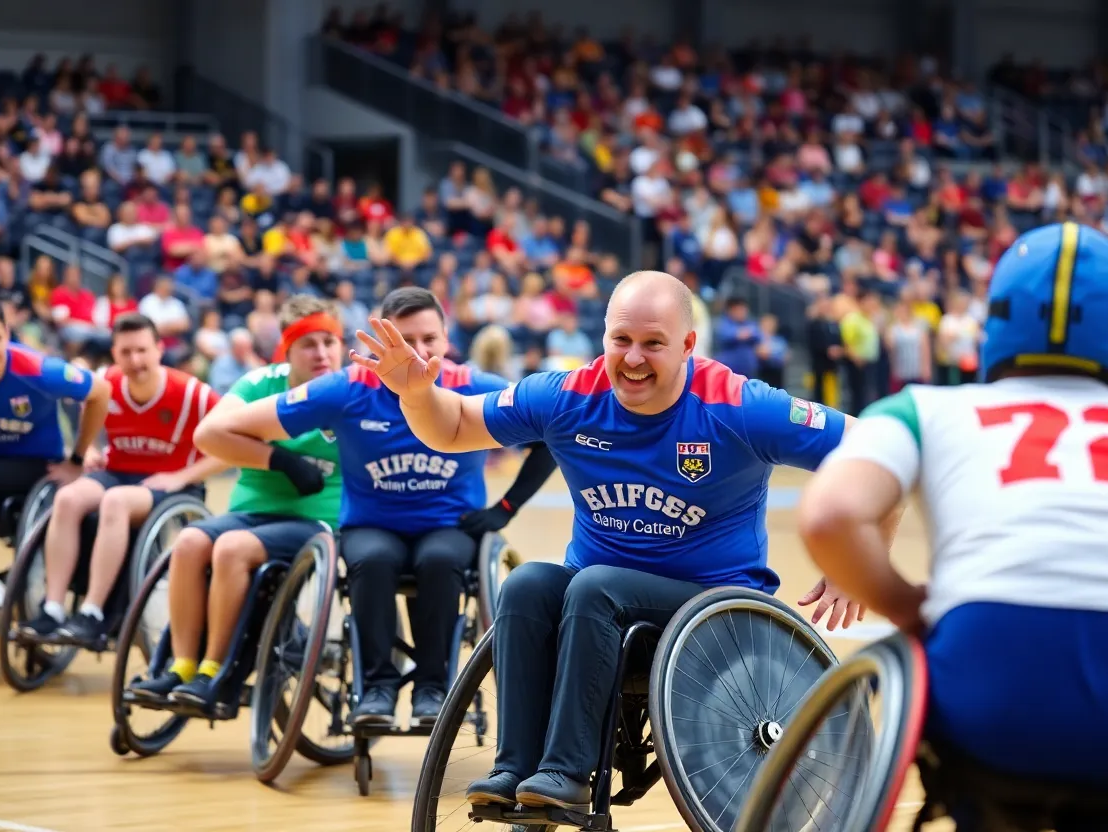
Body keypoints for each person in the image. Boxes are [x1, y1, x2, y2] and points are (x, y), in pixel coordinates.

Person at [351, 271, 886, 810]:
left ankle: (568, 774)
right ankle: (515, 768)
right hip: (601, 605)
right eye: (621, 341)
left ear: (687, 346)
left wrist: (858, 558)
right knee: (528, 584)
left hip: (714, 608)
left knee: (594, 588)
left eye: (653, 343)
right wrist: (417, 395)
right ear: (602, 338)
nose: (632, 358)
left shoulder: (739, 405)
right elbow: (454, 426)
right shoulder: (568, 395)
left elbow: (878, 447)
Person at [796, 222, 1108, 792]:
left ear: (998, 321)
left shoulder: (923, 407)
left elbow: (829, 515)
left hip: (995, 677)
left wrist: (909, 609)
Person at [194, 287, 559, 727]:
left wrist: (505, 507)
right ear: (382, 344)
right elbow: (217, 431)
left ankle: (432, 689)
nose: (419, 352)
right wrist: (280, 458)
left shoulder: (474, 385)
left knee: (441, 560)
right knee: (372, 559)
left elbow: (552, 436)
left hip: (447, 525)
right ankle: (377, 689)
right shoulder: (348, 388)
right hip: (372, 526)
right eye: (405, 341)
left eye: (429, 339)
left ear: (447, 340)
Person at [126, 297, 343, 706]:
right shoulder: (261, 383)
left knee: (230, 548)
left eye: (329, 342)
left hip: (317, 518)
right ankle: (181, 667)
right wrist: (278, 459)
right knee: (189, 542)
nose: (321, 353)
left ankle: (216, 671)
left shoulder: (349, 389)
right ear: (287, 348)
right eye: (308, 344)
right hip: (251, 510)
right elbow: (209, 433)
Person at [19, 313, 224, 648]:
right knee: (68, 498)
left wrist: (183, 476)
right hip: (118, 471)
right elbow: (89, 412)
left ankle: (93, 612)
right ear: (114, 353)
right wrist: (91, 449)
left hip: (169, 483)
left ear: (159, 349)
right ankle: (53, 608)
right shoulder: (106, 383)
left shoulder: (192, 393)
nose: (135, 360)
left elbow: (235, 445)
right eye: (126, 352)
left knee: (114, 502)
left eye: (142, 350)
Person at [0, 296, 111, 628]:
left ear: (7, 334)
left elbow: (100, 391)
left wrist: (77, 456)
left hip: (32, 460)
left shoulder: (38, 370)